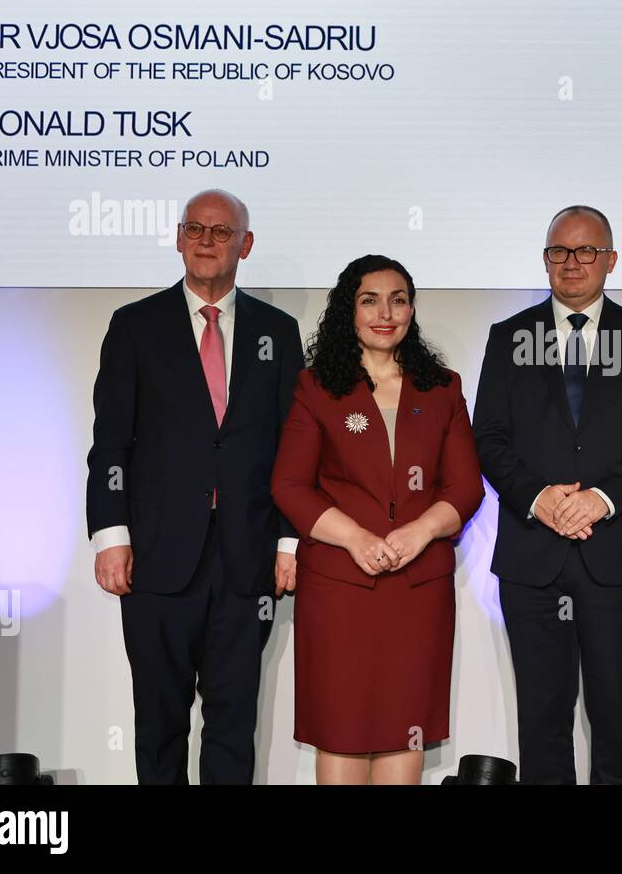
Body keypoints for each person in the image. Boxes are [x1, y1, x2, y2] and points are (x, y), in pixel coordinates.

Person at [87, 188, 304, 784]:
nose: (206, 242)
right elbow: (111, 444)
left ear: (246, 244)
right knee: (159, 725)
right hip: (156, 558)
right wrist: (111, 535)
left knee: (233, 725)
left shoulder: (278, 332)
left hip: (246, 559)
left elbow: (296, 447)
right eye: (195, 230)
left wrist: (290, 543)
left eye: (221, 232)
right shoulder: (134, 326)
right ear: (180, 238)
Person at [472, 206, 622, 784]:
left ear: (610, 260)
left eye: (586, 251)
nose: (572, 263)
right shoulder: (508, 337)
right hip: (531, 559)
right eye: (559, 251)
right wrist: (538, 497)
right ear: (545, 260)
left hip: (615, 559)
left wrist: (600, 500)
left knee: (618, 721)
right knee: (542, 722)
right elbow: (487, 438)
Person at [271, 254, 484, 785]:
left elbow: (465, 487)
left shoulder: (443, 388)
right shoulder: (316, 386)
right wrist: (356, 539)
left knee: (402, 729)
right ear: (350, 310)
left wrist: (420, 531)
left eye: (399, 299)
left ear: (412, 309)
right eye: (370, 300)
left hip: (418, 588)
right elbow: (289, 486)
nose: (386, 312)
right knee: (341, 729)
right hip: (340, 588)